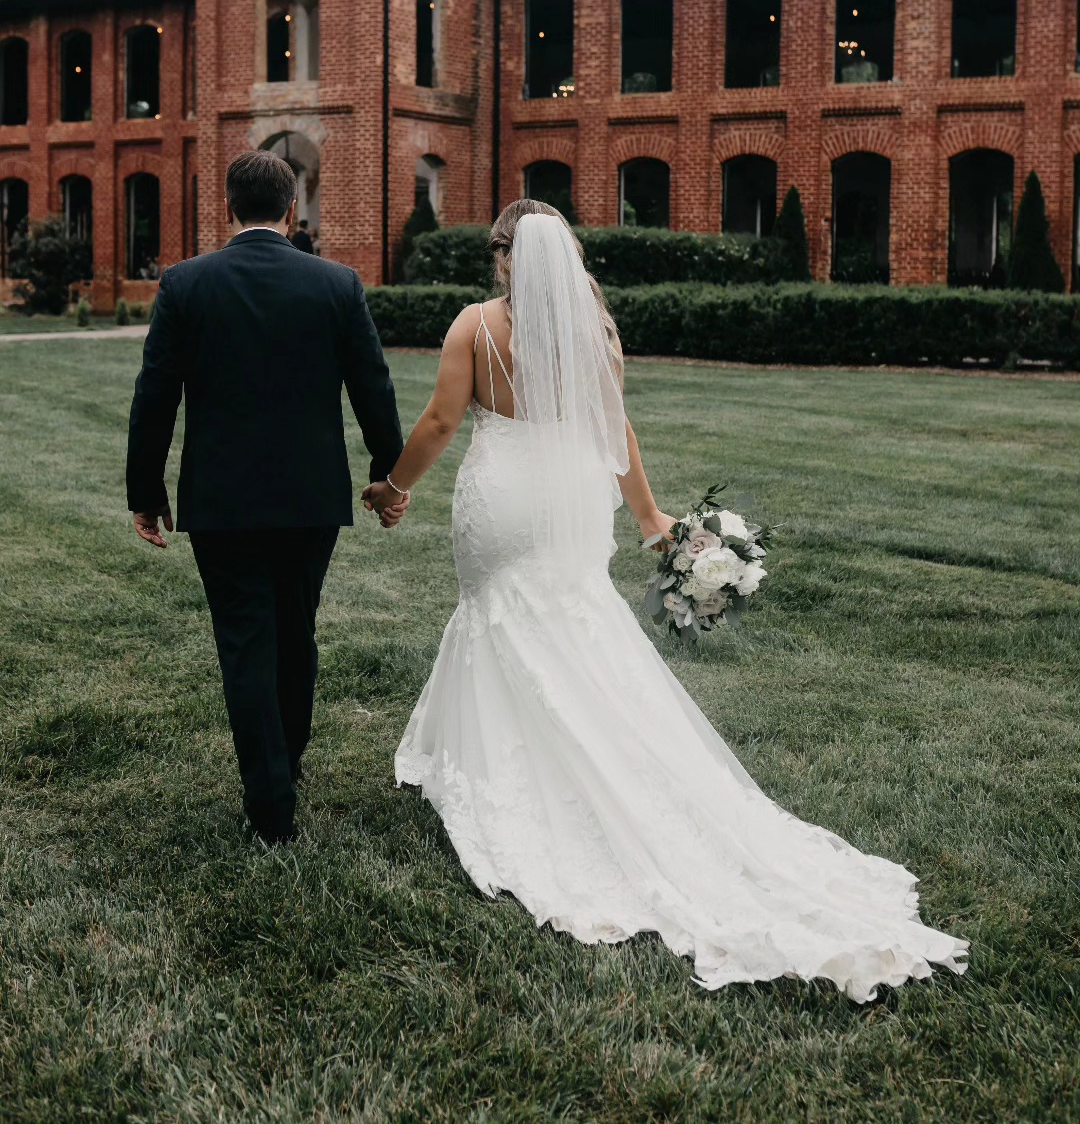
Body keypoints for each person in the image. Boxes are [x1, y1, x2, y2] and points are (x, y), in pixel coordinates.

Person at [364, 200, 968, 1002]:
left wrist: (394, 486)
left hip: (504, 499)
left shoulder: (474, 326)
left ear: (507, 255)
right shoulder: (595, 330)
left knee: (499, 613)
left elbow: (443, 420)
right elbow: (620, 433)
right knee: (574, 616)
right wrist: (649, 518)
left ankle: (496, 763)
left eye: (497, 253)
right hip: (575, 497)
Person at [126, 151, 405, 845]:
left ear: (229, 208)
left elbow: (154, 395)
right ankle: (288, 766)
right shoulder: (336, 284)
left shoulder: (186, 284)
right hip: (311, 498)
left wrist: (145, 490)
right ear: (291, 209)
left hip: (221, 502)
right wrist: (387, 474)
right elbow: (373, 385)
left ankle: (270, 804)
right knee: (294, 631)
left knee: (247, 642)